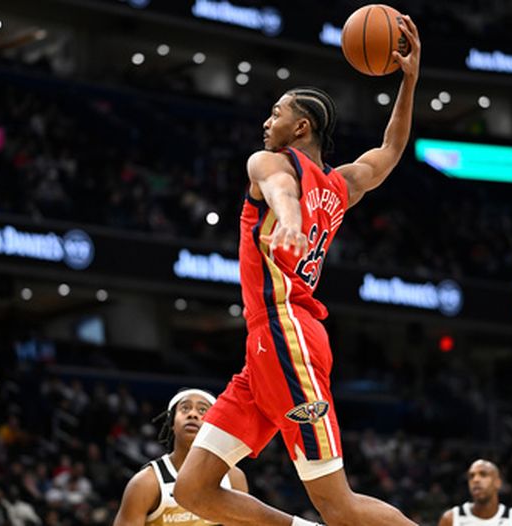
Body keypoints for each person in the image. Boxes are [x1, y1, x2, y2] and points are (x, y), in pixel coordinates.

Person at [173, 13, 421, 526]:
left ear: (300, 127)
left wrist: (288, 220)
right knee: (192, 490)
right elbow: (391, 151)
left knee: (338, 505)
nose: (267, 123)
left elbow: (282, 191)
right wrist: (409, 82)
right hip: (265, 346)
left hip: (288, 332)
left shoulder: (268, 162)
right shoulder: (342, 184)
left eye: (276, 113)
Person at [114, 389, 248, 525]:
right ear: (172, 423)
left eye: (202, 410)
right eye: (185, 408)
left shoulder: (233, 478)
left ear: (214, 425)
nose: (192, 414)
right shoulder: (146, 483)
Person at [438, 459, 512, 526]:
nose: (476, 480)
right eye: (471, 476)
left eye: (483, 474)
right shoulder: (450, 519)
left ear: (498, 482)